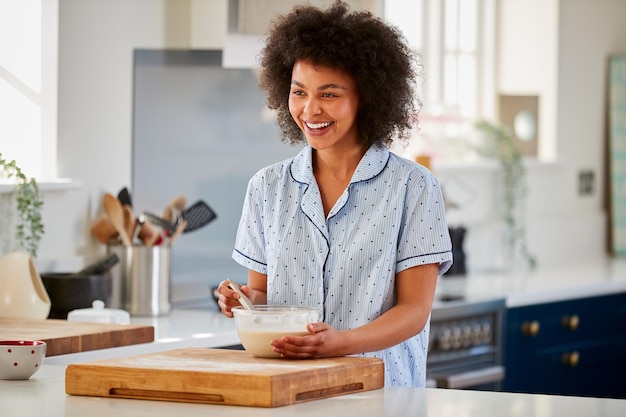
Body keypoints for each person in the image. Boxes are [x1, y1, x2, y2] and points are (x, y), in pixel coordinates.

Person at [216, 0, 453, 387]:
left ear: (367, 96)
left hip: (381, 398)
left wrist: (341, 343)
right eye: (299, 92)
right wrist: (241, 300)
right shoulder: (266, 188)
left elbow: (413, 312)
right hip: (291, 395)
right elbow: (262, 295)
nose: (310, 109)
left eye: (329, 94)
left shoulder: (414, 187)